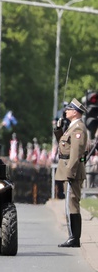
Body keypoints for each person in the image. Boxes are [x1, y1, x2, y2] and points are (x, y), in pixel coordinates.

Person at [54, 98, 89, 248]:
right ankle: (72, 236)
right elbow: (63, 145)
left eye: (68, 109)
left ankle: (74, 237)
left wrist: (70, 171)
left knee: (73, 203)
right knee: (69, 204)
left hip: (72, 169)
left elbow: (75, 152)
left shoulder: (78, 128)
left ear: (75, 112)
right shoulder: (72, 127)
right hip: (68, 168)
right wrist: (58, 129)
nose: (66, 111)